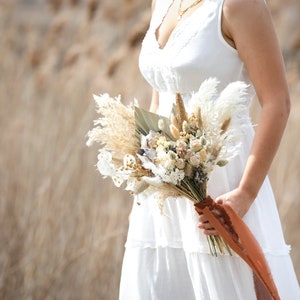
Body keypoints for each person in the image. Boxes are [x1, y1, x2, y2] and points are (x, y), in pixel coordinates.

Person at [119, 0, 300, 299]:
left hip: (223, 189)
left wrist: (246, 194)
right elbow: (159, 101)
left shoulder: (240, 6)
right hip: (163, 193)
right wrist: (142, 190)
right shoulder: (161, 3)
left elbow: (277, 101)